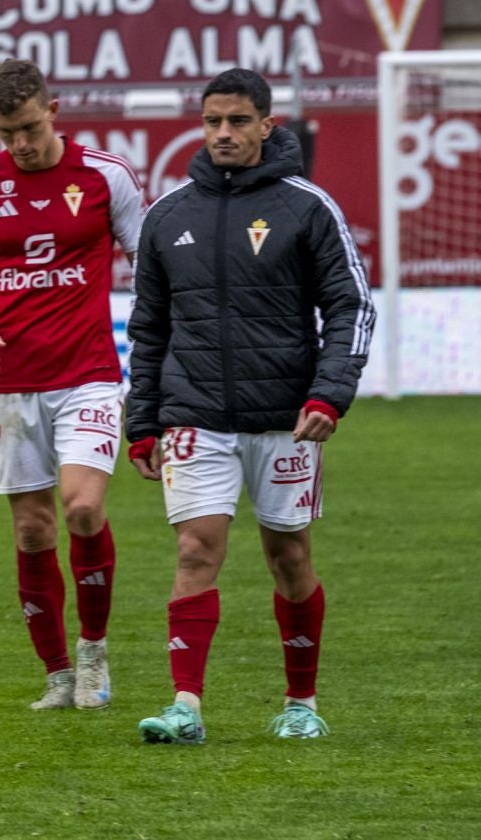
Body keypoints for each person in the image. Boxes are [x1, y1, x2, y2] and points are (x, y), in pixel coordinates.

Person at [126, 68, 373, 745]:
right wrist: (142, 421)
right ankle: (185, 706)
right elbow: (148, 329)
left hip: (284, 417)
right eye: (212, 122)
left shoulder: (308, 207)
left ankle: (301, 703)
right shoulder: (167, 216)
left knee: (288, 555)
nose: (224, 134)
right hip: (195, 414)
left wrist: (330, 393)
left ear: (268, 125)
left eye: (238, 121)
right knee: (194, 548)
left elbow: (351, 307)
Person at [0, 59, 145, 711]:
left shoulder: (106, 176)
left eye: (28, 127)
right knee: (32, 531)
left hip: (88, 373)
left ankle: (93, 653)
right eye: (6, 133)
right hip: (11, 381)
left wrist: (157, 345)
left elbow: (151, 262)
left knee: (82, 507)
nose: (20, 144)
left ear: (53, 109)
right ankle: (56, 674)